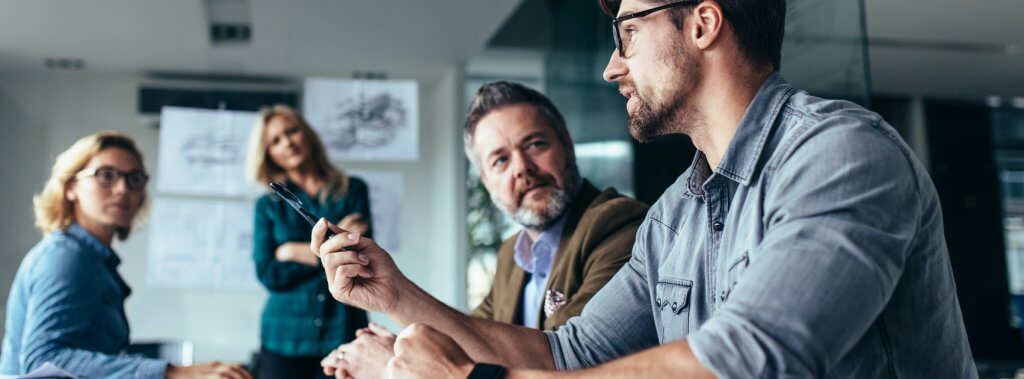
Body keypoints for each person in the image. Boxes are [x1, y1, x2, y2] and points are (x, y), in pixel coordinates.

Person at [311, 0, 978, 377]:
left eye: (628, 33)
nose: (611, 66)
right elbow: (564, 352)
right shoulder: (676, 215)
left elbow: (751, 360)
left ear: (703, 23)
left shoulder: (840, 154)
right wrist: (392, 292)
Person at [320, 82, 648, 378]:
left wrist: (392, 368)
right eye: (500, 161)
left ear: (567, 145)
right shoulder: (511, 253)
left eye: (534, 144)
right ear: (485, 182)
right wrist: (399, 345)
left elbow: (569, 363)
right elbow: (468, 343)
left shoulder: (619, 225)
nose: (522, 168)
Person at [0, 131, 250, 378]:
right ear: (71, 187)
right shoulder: (65, 257)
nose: (122, 189)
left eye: (134, 179)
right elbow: (43, 360)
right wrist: (170, 372)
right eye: (106, 175)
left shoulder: (95, 260)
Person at [246, 105, 371, 378]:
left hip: (343, 331)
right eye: (275, 141)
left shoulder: (353, 190)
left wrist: (290, 251)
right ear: (268, 154)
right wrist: (331, 251)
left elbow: (360, 259)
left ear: (307, 134)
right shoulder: (267, 206)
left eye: (292, 131)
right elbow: (268, 273)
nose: (287, 142)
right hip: (284, 338)